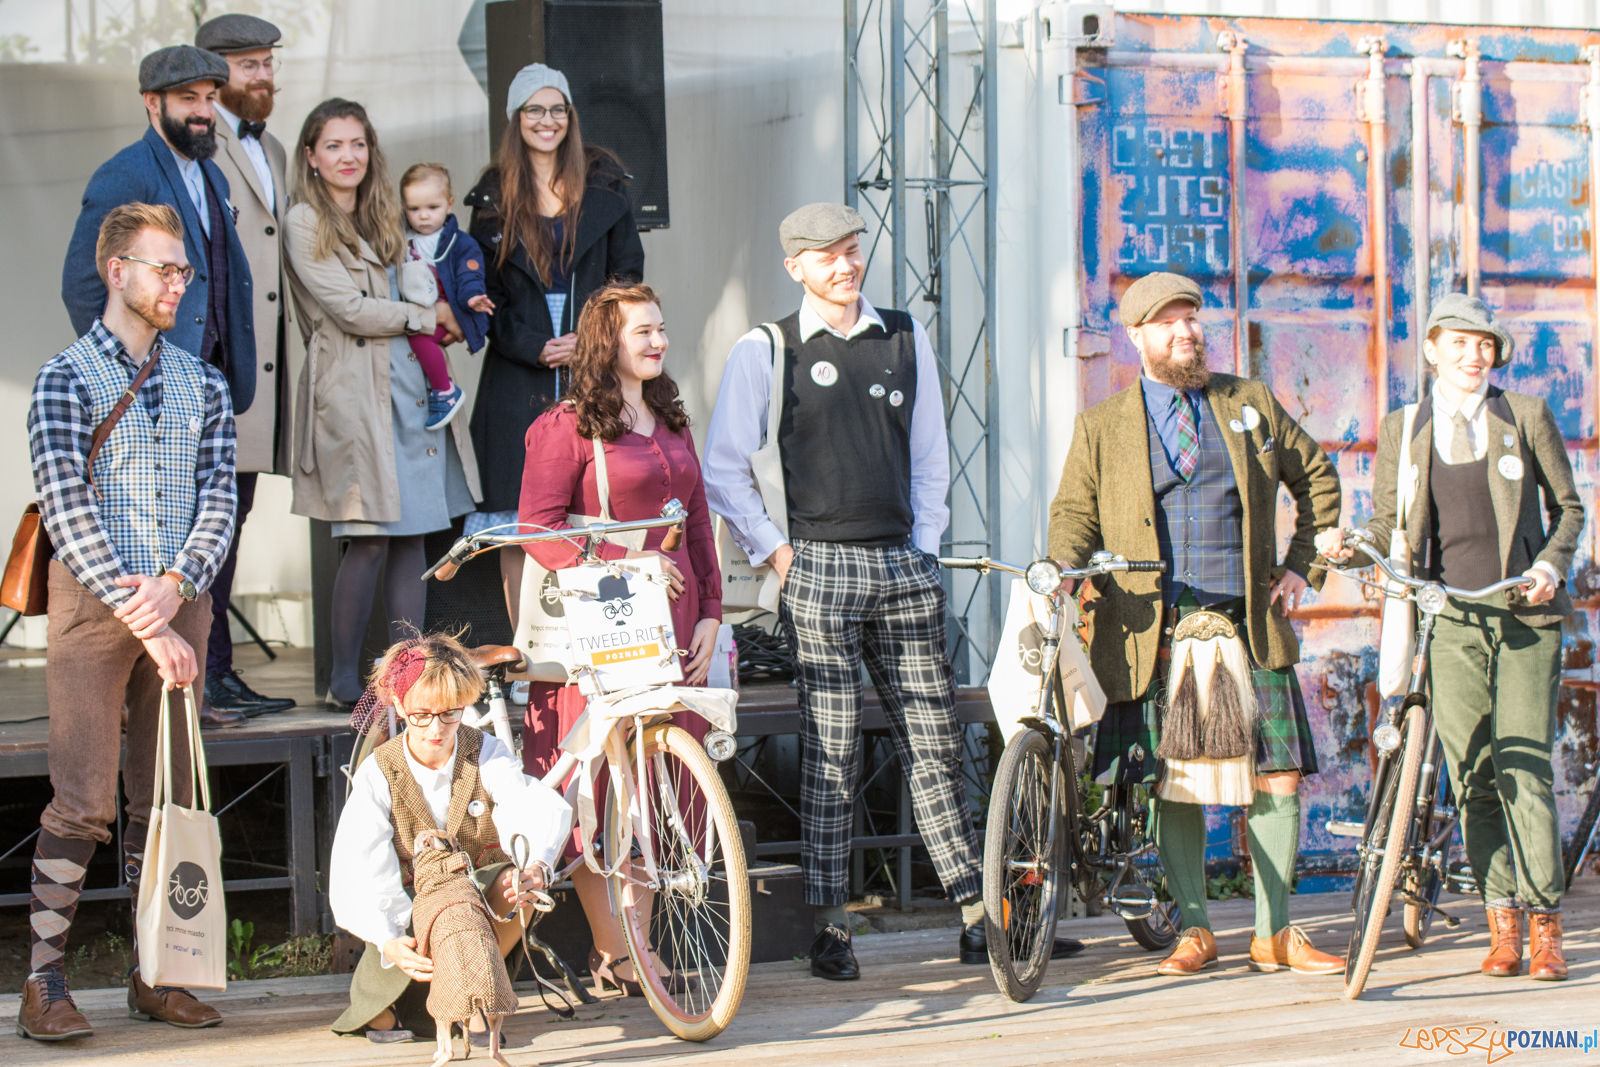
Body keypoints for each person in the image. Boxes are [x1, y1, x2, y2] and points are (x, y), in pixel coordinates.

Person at [703, 203, 1001, 981]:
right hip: (819, 564)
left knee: (933, 744)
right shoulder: (769, 346)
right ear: (796, 266)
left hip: (902, 560)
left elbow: (932, 453)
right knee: (829, 751)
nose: (844, 264)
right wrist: (775, 554)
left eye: (852, 248)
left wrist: (927, 551)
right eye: (825, 255)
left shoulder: (904, 335)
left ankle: (975, 913)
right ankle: (831, 926)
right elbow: (722, 464)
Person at [1048, 270, 1344, 978]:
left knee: (1277, 776)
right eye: (1170, 325)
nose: (1188, 334)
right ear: (1137, 336)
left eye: (1194, 322)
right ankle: (1198, 928)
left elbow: (1319, 478)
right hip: (1155, 627)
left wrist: (1303, 565)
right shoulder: (1102, 425)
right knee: (1174, 779)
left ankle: (1274, 932)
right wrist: (1061, 568)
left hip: (1249, 622)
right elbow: (1073, 515)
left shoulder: (1248, 402)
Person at [1318, 293, 1584, 982]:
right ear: (1432, 348)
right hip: (1451, 619)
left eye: (1485, 344)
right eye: (1460, 343)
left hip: (1523, 618)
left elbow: (1570, 508)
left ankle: (1546, 922)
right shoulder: (1406, 428)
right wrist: (1349, 547)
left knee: (1525, 766)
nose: (1474, 355)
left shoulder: (1524, 416)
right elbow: (1388, 525)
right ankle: (1502, 922)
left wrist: (1551, 565)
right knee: (1474, 776)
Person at [19, 203, 237, 1040]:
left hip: (182, 600)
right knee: (79, 799)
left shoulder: (204, 381)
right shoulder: (65, 377)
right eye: (163, 269)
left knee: (166, 798)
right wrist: (147, 615)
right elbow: (66, 508)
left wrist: (179, 581)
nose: (178, 283)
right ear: (118, 271)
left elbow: (221, 496)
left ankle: (158, 972)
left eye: (184, 271)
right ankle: (44, 982)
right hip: (97, 607)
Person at [517, 282, 722, 993]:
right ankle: (620, 946)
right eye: (643, 331)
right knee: (599, 781)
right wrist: (617, 565)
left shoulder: (670, 417)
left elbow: (696, 522)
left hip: (675, 621)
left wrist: (712, 611)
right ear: (608, 340)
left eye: (662, 328)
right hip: (600, 622)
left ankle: (639, 939)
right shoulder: (567, 425)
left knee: (659, 780)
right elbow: (536, 527)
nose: (658, 341)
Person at [282, 99, 480, 707]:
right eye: (334, 145)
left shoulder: (386, 216)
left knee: (413, 537)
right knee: (366, 536)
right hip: (351, 394)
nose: (348, 156)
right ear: (312, 157)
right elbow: (348, 308)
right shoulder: (303, 222)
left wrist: (456, 305)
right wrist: (426, 316)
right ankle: (344, 678)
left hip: (406, 389)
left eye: (358, 144)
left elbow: (435, 266)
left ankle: (409, 674)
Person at [463, 62, 644, 631]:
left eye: (557, 109)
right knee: (522, 524)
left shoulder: (607, 191)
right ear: (517, 120)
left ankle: (592, 642)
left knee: (594, 510)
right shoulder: (493, 199)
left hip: (593, 375)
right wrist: (538, 347)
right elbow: (484, 296)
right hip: (518, 379)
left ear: (570, 117)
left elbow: (628, 280)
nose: (547, 121)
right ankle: (528, 649)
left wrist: (591, 341)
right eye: (534, 110)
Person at [329, 633, 564, 1044]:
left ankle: (476, 1002)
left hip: (476, 912)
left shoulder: (484, 752)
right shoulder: (380, 770)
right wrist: (387, 939)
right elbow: (360, 861)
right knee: (385, 1019)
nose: (436, 728)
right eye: (422, 714)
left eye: (450, 714)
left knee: (514, 883)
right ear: (399, 706)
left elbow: (525, 803)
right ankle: (406, 1004)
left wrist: (536, 863)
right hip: (413, 915)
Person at [61, 44, 256, 473]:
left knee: (223, 520)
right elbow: (82, 281)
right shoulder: (128, 171)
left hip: (210, 389)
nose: (204, 111)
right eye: (189, 98)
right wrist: (122, 372)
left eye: (209, 98)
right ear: (152, 102)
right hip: (147, 393)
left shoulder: (213, 174)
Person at [193, 13, 297, 718]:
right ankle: (207, 669)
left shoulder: (277, 148)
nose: (266, 77)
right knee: (211, 521)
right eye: (251, 65)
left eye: (269, 64)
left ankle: (220, 667)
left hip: (265, 370)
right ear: (215, 72)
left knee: (238, 514)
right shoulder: (201, 145)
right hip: (221, 367)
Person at [399, 162, 494, 431]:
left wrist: (472, 298)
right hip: (418, 309)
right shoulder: (404, 238)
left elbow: (469, 274)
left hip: (451, 309)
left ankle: (445, 392)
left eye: (432, 207)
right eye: (414, 209)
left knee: (420, 339)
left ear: (449, 203)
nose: (423, 216)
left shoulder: (459, 242)